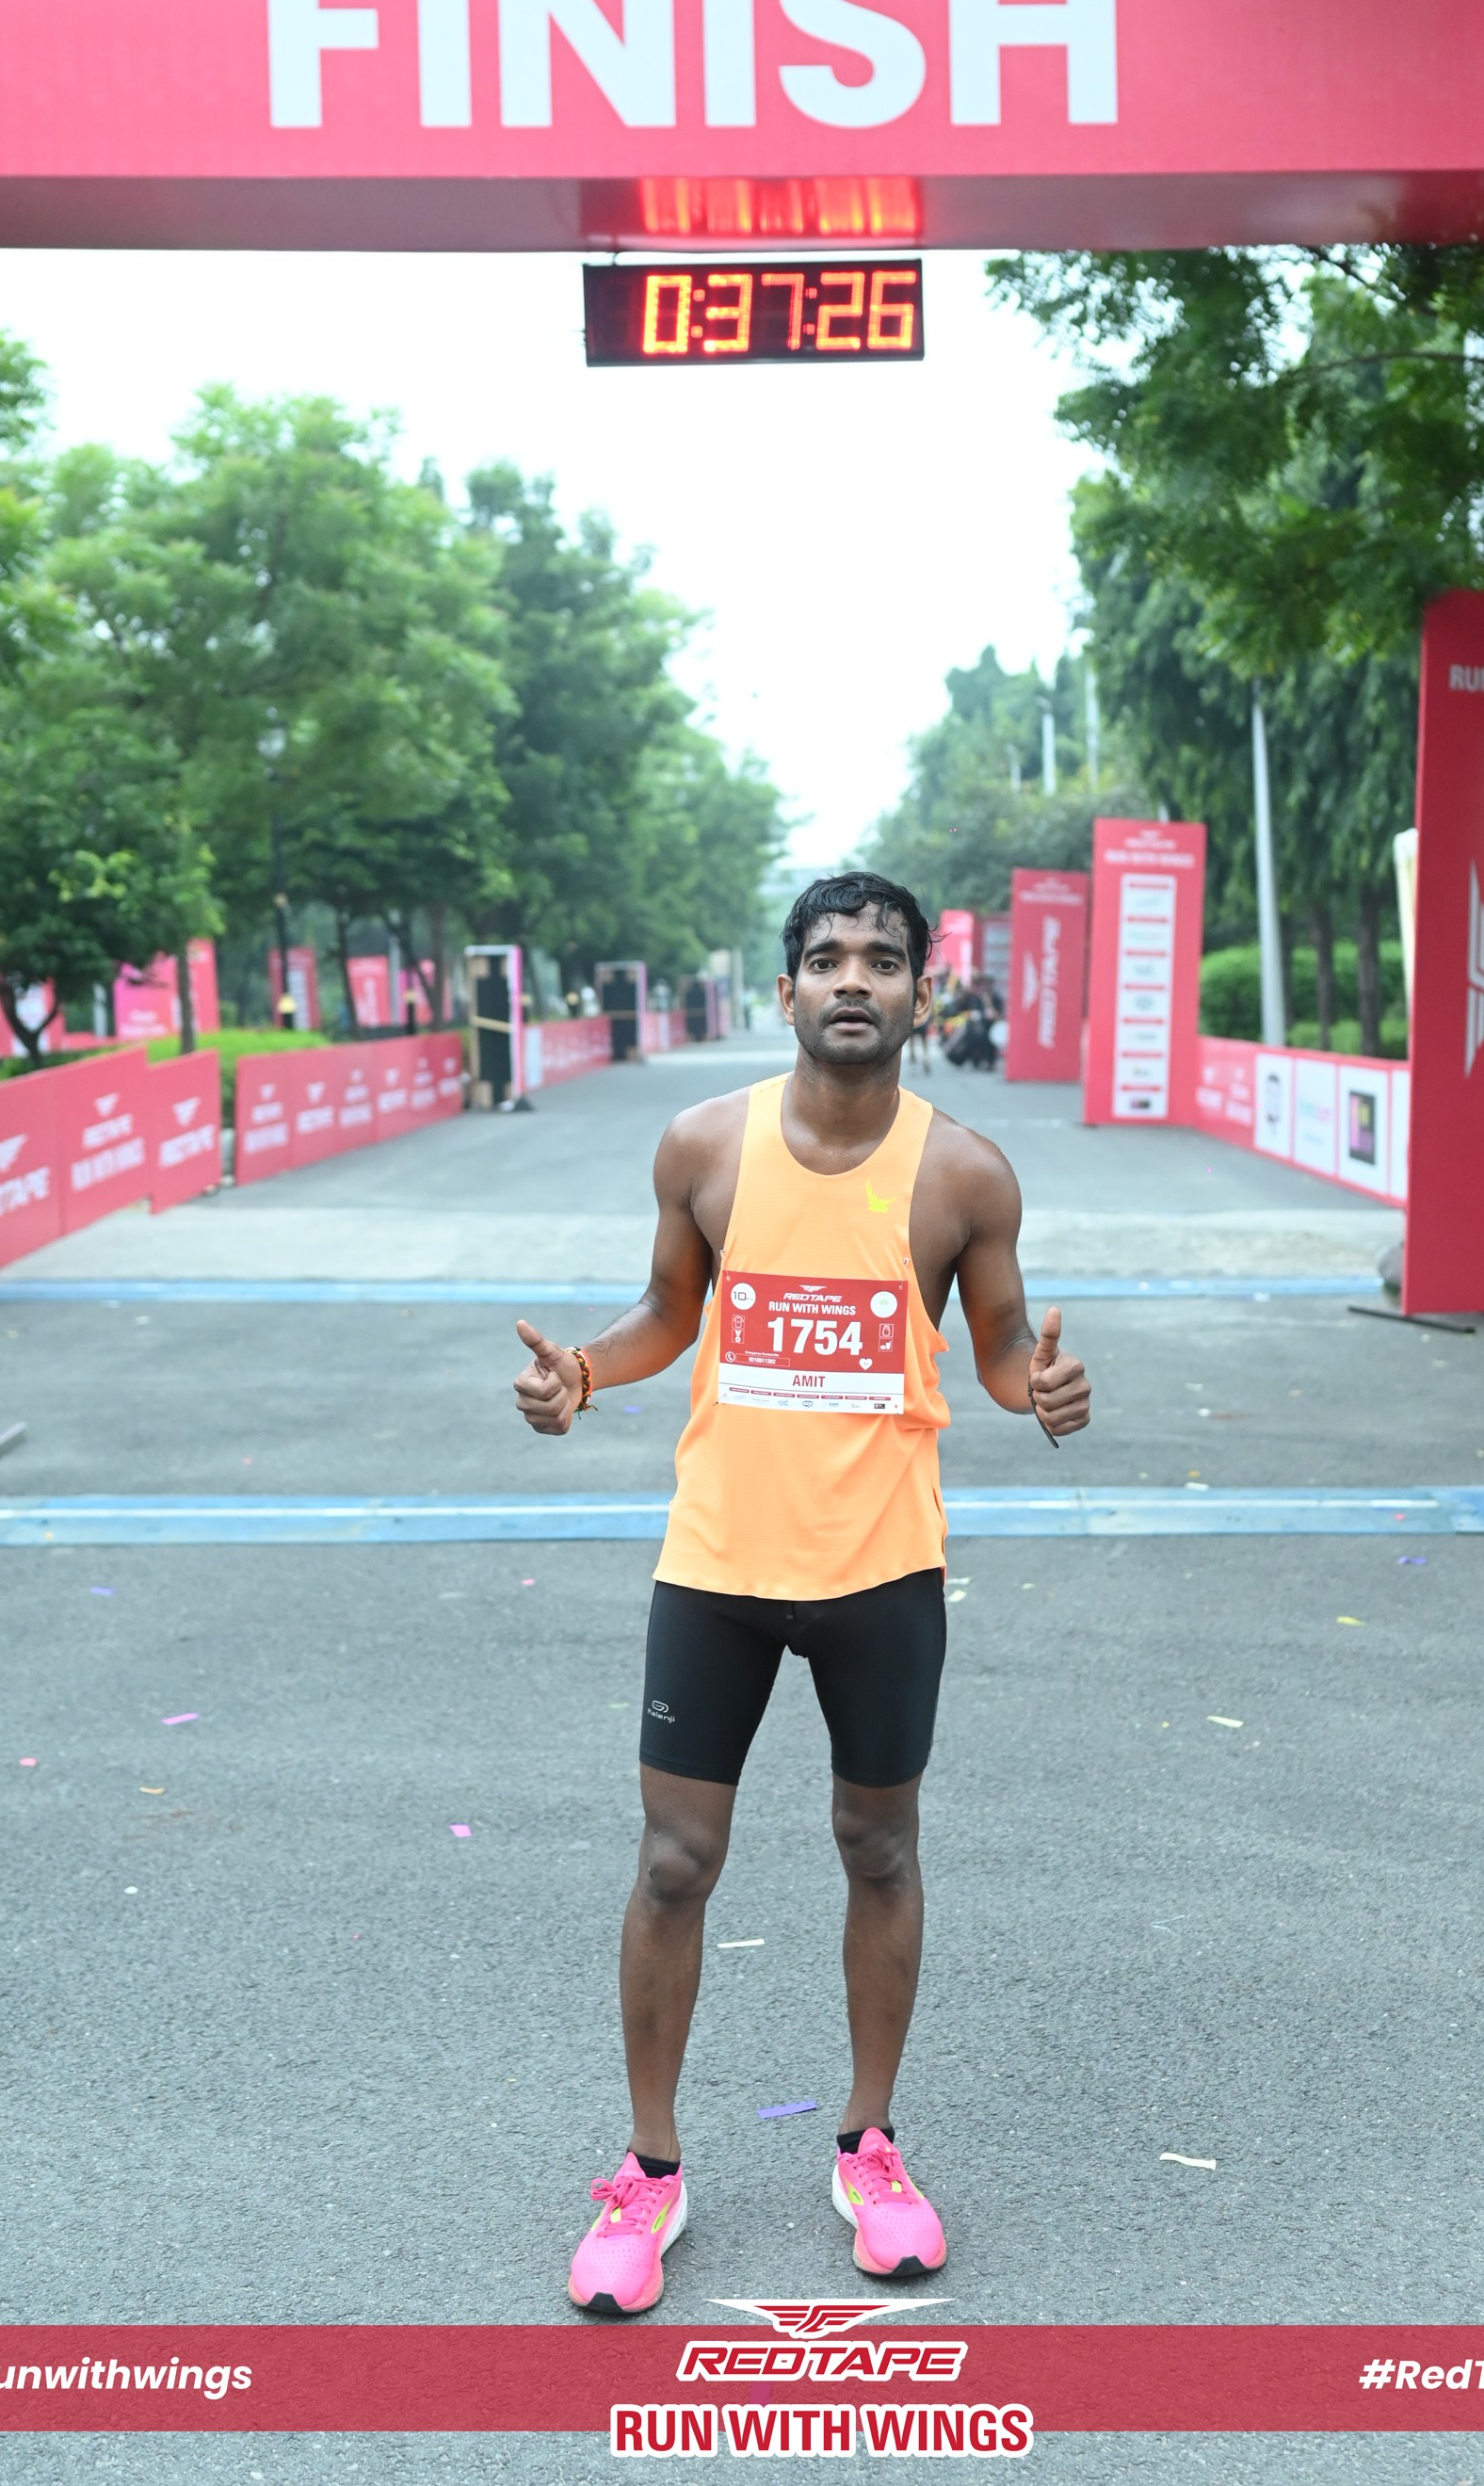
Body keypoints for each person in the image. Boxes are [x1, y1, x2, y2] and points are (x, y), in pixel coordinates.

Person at [513, 872, 1091, 2317]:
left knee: (879, 1850)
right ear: (786, 992)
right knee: (673, 1864)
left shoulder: (966, 1176)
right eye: (827, 959)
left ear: (919, 996)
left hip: (881, 1571)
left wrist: (1037, 1387)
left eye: (882, 961)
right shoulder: (705, 1145)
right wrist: (584, 1370)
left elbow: (1003, 1342)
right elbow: (670, 1311)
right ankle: (650, 2171)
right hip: (716, 1564)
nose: (853, 980)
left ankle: (869, 2151)